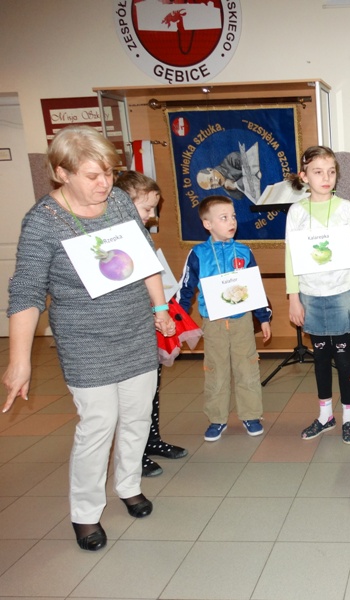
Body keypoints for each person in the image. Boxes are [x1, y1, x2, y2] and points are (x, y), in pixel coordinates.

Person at [2, 125, 176, 552]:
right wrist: (19, 360)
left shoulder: (118, 201)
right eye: (93, 175)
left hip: (134, 329)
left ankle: (129, 485)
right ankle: (85, 512)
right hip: (85, 340)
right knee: (98, 424)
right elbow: (26, 291)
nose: (105, 184)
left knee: (137, 416)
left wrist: (160, 309)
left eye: (109, 173)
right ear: (62, 173)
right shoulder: (43, 221)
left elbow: (144, 257)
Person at [115, 170, 201, 477]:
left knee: (151, 387)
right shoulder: (114, 241)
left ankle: (152, 440)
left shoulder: (141, 235)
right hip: (128, 327)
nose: (152, 216)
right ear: (123, 203)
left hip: (149, 322)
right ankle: (134, 455)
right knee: (132, 398)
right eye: (147, 208)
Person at [284, 146, 350, 444]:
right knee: (320, 357)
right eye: (318, 172)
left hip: (342, 293)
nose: (326, 178)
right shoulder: (296, 212)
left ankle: (348, 417)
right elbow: (291, 257)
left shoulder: (346, 209)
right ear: (304, 176)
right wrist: (294, 298)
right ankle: (325, 416)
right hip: (310, 295)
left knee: (343, 358)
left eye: (331, 172)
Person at [175, 195, 272, 442]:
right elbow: (185, 289)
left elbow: (255, 287)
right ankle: (217, 419)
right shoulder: (198, 254)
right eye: (224, 218)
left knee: (247, 368)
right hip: (214, 324)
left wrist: (263, 318)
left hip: (242, 321)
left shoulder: (244, 251)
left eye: (233, 216)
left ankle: (251, 415)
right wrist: (177, 320)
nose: (232, 222)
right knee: (216, 371)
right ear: (208, 224)